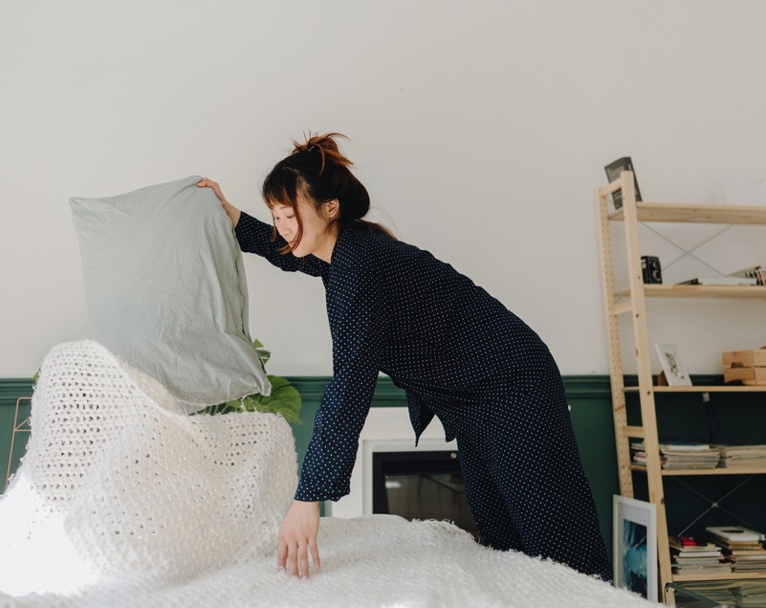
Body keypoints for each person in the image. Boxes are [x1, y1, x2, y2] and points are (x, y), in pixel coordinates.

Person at [197, 133, 612, 582]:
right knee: (503, 542)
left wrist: (307, 499)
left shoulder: (359, 266)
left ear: (330, 208)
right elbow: (290, 254)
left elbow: (349, 386)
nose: (280, 226)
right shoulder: (343, 251)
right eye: (275, 215)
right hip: (472, 400)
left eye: (288, 214)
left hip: (513, 386)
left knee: (560, 547)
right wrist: (232, 215)